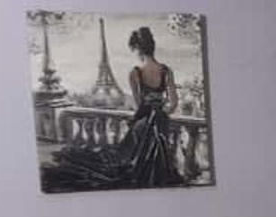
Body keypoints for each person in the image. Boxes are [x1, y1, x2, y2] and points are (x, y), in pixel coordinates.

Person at [41, 26, 185, 192]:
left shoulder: (135, 73)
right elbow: (173, 102)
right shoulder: (166, 71)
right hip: (160, 123)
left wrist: (147, 116)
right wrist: (160, 114)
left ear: (137, 49)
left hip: (143, 124)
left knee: (126, 160)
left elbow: (140, 104)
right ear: (153, 47)